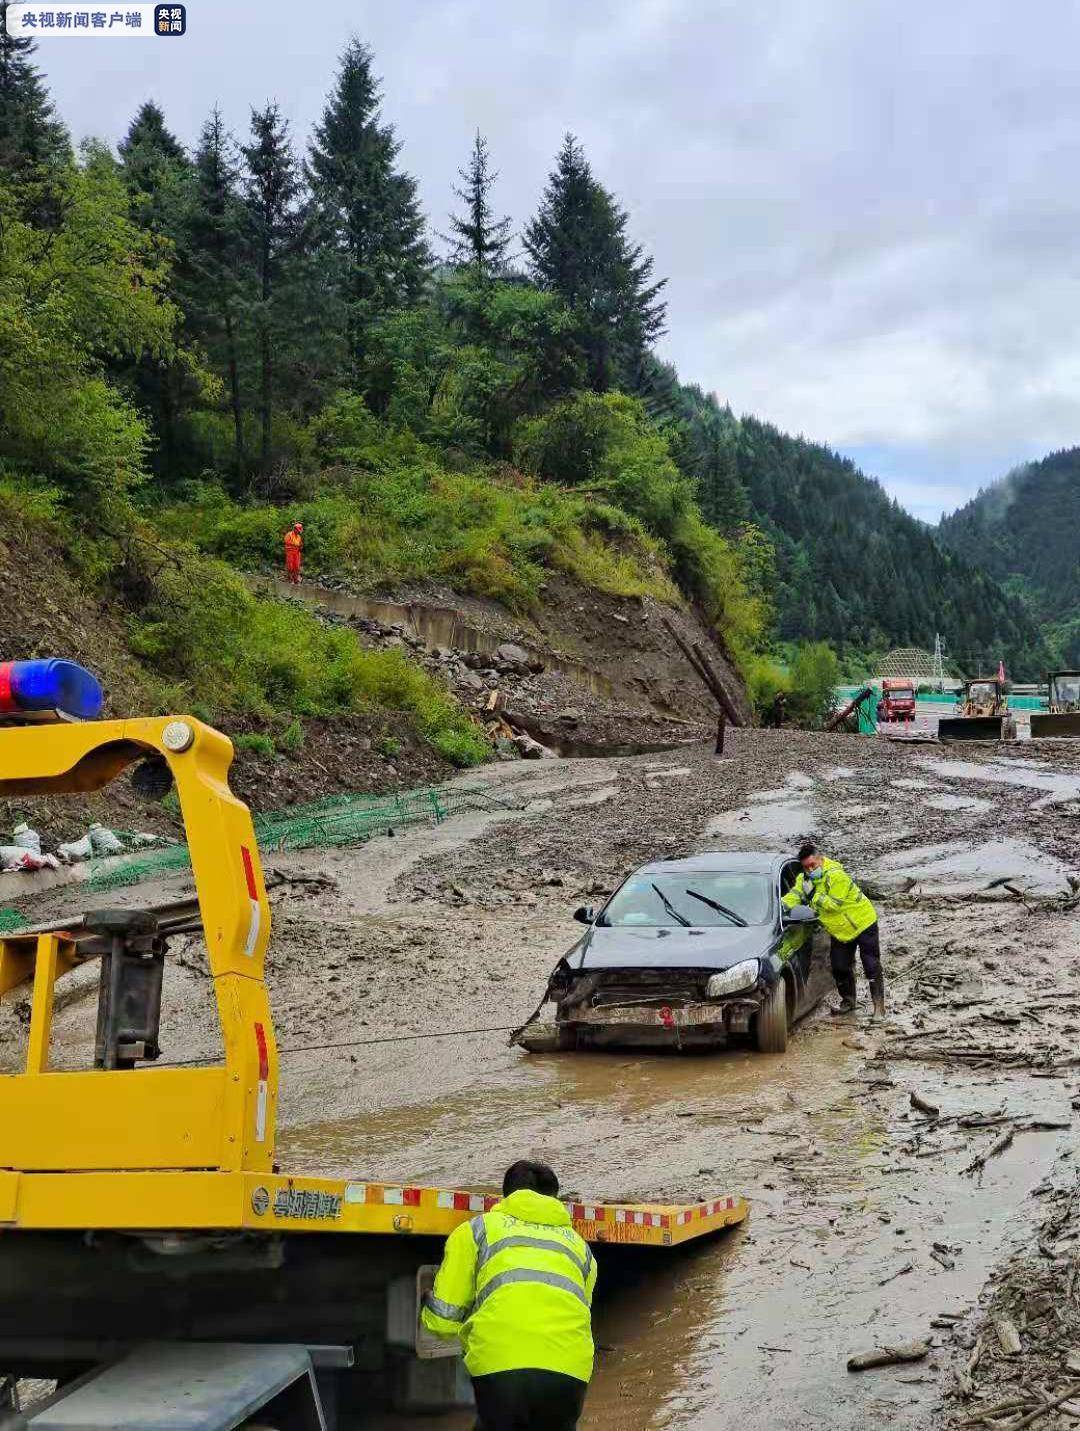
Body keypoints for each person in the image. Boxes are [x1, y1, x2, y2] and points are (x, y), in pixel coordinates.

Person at [421, 1160, 596, 1430]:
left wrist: (428, 1306)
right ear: (555, 1198)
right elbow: (580, 1313)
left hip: (500, 1367)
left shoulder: (476, 1230)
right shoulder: (581, 1248)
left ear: (506, 1195)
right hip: (569, 1372)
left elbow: (443, 1321)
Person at [784, 840, 884, 1017]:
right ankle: (848, 1001)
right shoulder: (804, 880)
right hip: (840, 931)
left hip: (862, 924)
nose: (809, 871)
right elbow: (794, 896)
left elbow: (833, 905)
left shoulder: (837, 876)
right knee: (839, 967)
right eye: (805, 868)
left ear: (821, 859)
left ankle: (879, 1007)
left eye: (812, 866)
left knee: (871, 965)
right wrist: (781, 905)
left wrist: (814, 895)